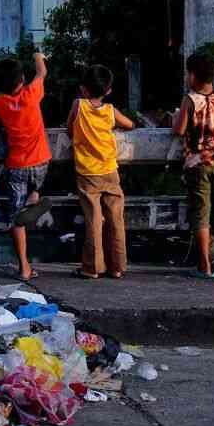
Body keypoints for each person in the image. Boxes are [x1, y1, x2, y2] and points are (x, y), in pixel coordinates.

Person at [66, 65, 136, 280]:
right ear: (108, 91)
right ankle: (117, 267)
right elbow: (130, 124)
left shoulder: (79, 105)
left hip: (87, 172)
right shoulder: (110, 110)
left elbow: (69, 128)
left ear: (83, 89)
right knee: (116, 218)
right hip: (109, 170)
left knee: (94, 219)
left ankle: (93, 268)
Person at [172, 52, 214, 280]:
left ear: (192, 76)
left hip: (198, 164)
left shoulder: (189, 100)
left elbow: (178, 130)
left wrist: (175, 118)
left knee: (201, 213)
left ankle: (205, 266)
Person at [0, 53, 52, 281]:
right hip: (40, 163)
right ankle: (34, 197)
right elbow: (42, 72)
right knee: (36, 183)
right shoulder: (31, 94)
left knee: (16, 219)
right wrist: (37, 55)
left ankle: (25, 268)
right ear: (22, 80)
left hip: (16, 166)